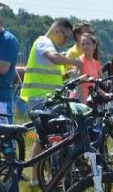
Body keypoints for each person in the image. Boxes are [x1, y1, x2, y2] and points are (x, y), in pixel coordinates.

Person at [20, 19, 81, 182]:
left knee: (44, 139)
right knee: (43, 138)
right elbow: (53, 58)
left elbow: (56, 74)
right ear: (56, 29)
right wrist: (74, 61)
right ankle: (36, 178)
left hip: (47, 98)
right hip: (40, 98)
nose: (66, 40)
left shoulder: (51, 47)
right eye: (65, 36)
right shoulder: (43, 42)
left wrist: (70, 75)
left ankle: (43, 177)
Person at [74, 32, 101, 103]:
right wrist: (83, 101)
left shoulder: (96, 63)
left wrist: (104, 94)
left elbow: (97, 84)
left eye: (88, 44)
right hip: (80, 100)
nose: (85, 46)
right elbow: (78, 84)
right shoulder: (79, 61)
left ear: (94, 46)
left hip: (91, 99)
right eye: (83, 44)